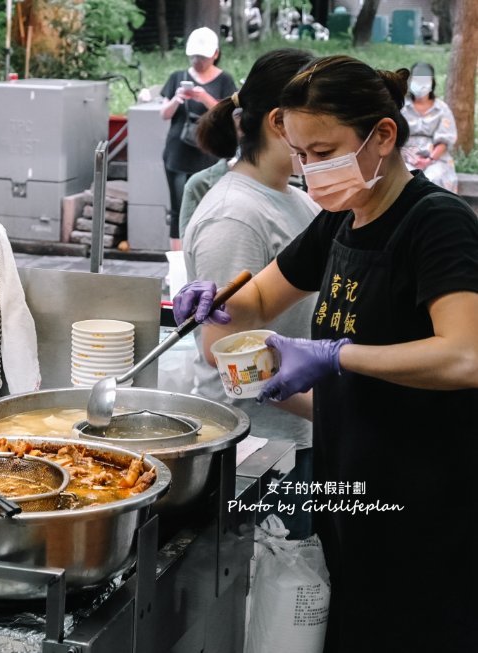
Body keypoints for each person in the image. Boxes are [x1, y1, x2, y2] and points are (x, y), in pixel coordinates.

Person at [173, 55, 478, 651]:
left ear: (382, 136)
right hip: (356, 490)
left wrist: (337, 356)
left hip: (426, 501)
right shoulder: (343, 220)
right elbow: (260, 297)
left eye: (324, 150)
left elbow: (466, 355)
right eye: (304, 155)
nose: (311, 169)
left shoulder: (434, 223)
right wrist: (216, 301)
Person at [183, 48, 318, 537]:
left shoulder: (299, 200)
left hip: (298, 436)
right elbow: (234, 362)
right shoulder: (236, 216)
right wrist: (337, 411)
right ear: (281, 121)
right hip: (258, 450)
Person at [160, 27, 237, 251]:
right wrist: (176, 99)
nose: (197, 61)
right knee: (177, 207)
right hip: (177, 152)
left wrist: (204, 97)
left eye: (202, 57)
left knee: (209, 206)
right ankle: (177, 262)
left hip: (209, 153)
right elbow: (164, 114)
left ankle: (203, 252)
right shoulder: (177, 77)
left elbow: (228, 115)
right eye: (194, 56)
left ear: (215, 54)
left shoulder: (225, 80)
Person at [401, 61, 458, 192]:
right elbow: (395, 137)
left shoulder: (441, 109)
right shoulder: (402, 108)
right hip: (405, 158)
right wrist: (410, 157)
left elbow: (445, 139)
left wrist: (429, 160)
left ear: (431, 82)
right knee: (404, 181)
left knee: (435, 179)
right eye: (416, 78)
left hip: (435, 159)